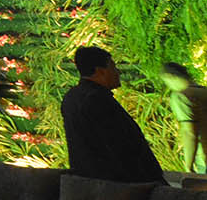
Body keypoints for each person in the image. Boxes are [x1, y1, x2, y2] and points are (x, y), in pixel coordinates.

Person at [60, 45, 164, 183]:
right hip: (117, 183)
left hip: (89, 180)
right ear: (100, 71)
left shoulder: (72, 97)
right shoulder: (97, 99)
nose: (118, 72)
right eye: (113, 67)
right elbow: (119, 143)